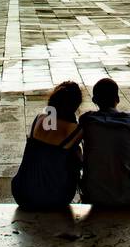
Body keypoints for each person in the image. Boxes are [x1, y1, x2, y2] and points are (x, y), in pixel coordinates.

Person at [11, 81, 83, 211]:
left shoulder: (39, 119)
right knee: (76, 152)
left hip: (21, 193)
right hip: (55, 199)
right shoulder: (75, 130)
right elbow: (78, 163)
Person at [79, 78, 130, 207]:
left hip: (94, 194)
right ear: (117, 98)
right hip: (129, 194)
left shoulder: (87, 121)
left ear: (94, 100)